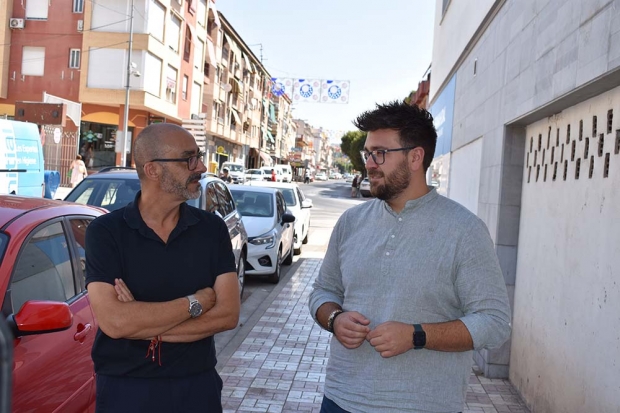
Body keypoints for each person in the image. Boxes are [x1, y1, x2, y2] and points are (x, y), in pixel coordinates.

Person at [308, 101, 511, 413]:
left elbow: (494, 322)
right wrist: (335, 319)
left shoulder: (465, 230)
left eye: (380, 153)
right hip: (340, 399)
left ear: (416, 157)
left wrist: (418, 335)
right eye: (367, 153)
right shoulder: (350, 222)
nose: (369, 164)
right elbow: (323, 291)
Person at [85, 123, 240, 413]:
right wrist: (197, 302)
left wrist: (143, 327)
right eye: (189, 159)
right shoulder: (105, 232)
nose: (202, 167)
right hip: (126, 390)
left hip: (197, 388)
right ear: (153, 170)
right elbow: (115, 322)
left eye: (199, 156)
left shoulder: (211, 229)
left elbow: (228, 315)